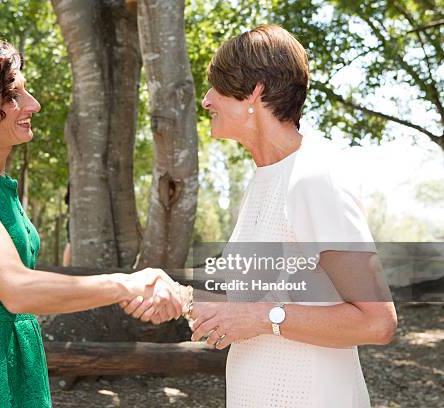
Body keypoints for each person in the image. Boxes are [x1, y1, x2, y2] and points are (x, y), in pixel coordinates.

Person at [122, 24, 397, 407]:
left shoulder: (315, 178)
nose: (206, 100)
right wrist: (180, 298)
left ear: (255, 91)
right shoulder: (266, 179)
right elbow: (254, 303)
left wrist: (262, 317)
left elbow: (377, 322)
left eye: (217, 87)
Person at [0, 34, 186, 407]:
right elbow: (18, 290)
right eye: (14, 96)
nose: (33, 104)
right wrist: (125, 284)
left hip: (14, 355)